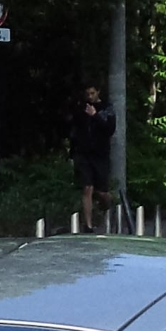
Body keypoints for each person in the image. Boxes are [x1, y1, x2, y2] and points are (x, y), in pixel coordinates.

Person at [68, 86, 115, 227]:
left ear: (98, 92)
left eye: (92, 93)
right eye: (87, 94)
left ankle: (107, 202)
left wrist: (95, 116)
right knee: (87, 188)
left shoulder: (107, 108)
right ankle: (88, 225)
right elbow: (75, 131)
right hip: (84, 154)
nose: (90, 96)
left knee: (102, 192)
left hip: (100, 154)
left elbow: (110, 129)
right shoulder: (81, 109)